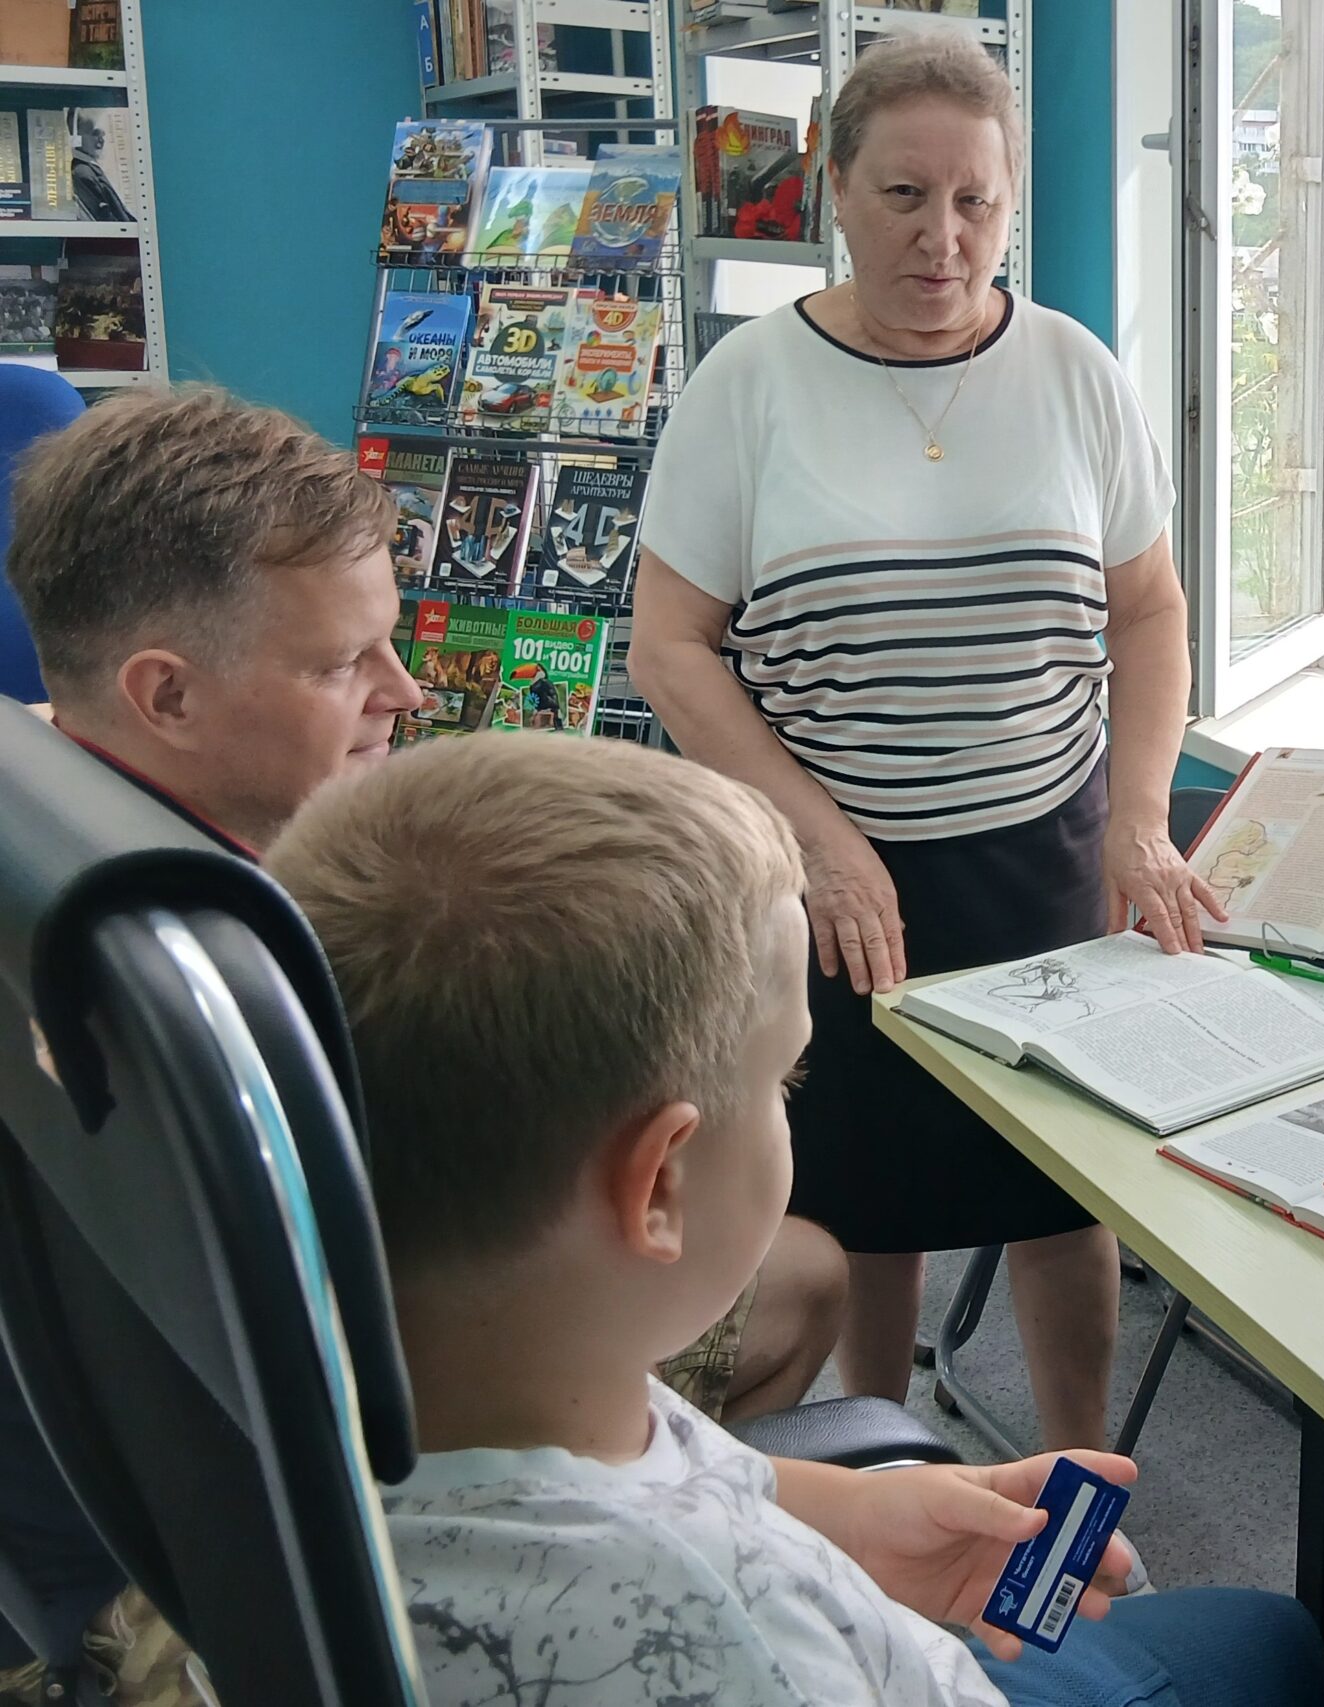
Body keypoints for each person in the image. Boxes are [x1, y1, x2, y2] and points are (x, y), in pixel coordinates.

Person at [0, 387, 844, 1704]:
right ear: (165, 694)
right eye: (343, 664)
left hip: (119, 1499)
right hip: (207, 1585)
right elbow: (449, 1383)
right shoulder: (225, 989)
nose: (403, 691)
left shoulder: (42, 815)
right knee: (801, 1272)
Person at [266, 733, 1324, 1707]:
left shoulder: (438, 1387)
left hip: (830, 1579)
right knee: (1270, 1638)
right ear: (659, 1186)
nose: (790, 1102)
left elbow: (667, 1465)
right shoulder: (731, 1636)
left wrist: (856, 1520)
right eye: (786, 1078)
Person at [629, 33, 1221, 1452]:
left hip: (1046, 855)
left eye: (976, 202)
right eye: (903, 195)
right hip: (834, 869)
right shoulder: (750, 385)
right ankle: (879, 1460)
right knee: (858, 1203)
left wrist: (1141, 820)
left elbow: (1149, 611)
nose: (941, 238)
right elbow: (670, 646)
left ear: (1008, 206)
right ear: (835, 188)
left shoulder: (1074, 371)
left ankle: (1079, 1483)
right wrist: (823, 844)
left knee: (1061, 1193)